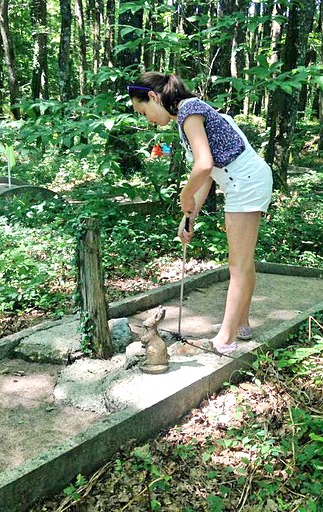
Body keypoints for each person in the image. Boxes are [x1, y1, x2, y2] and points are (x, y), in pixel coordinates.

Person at [127, 72, 273, 354]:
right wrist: (189, 216)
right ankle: (241, 322)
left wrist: (183, 194)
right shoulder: (190, 112)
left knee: (238, 264)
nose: (147, 120)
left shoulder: (189, 111)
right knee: (244, 261)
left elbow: (204, 166)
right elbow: (206, 176)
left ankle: (226, 339)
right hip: (241, 182)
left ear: (154, 98)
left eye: (143, 111)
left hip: (245, 183)